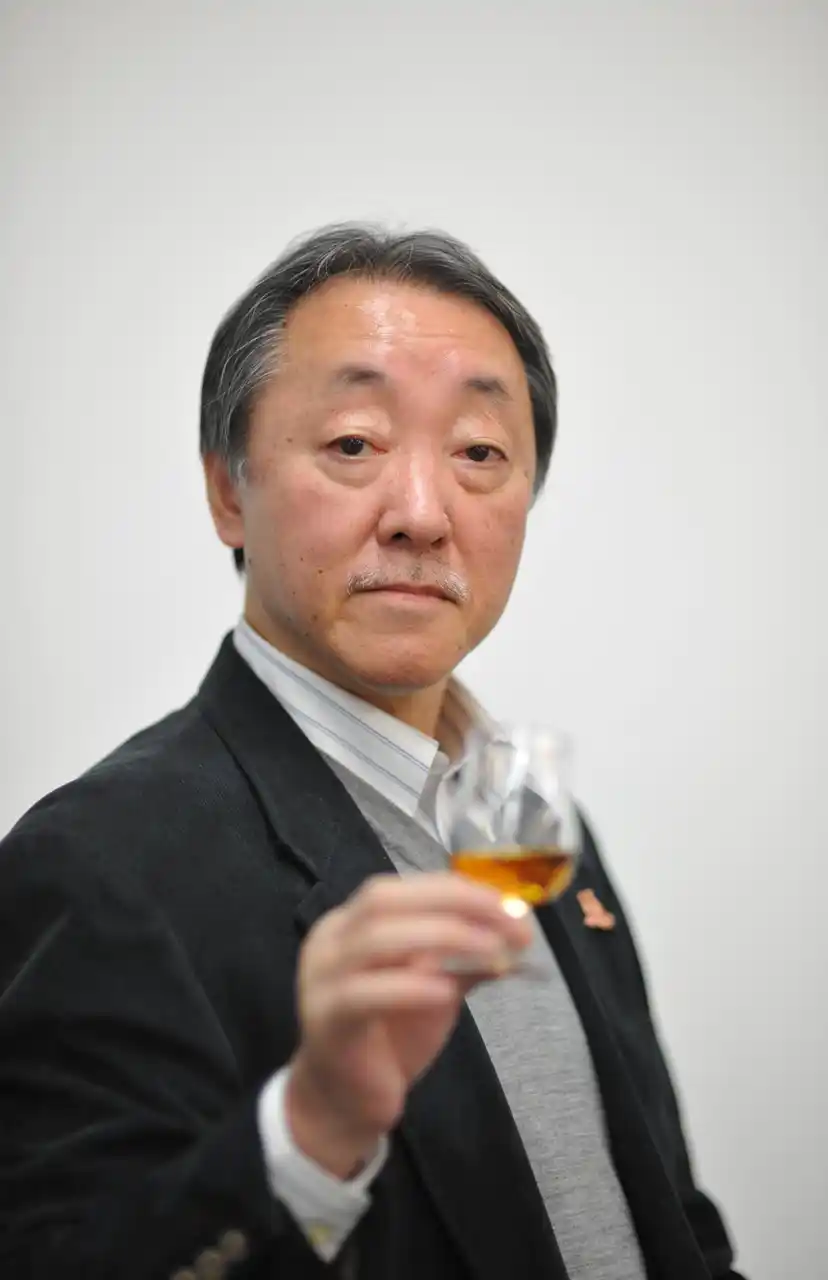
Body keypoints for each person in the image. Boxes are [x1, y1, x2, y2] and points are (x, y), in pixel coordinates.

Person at [0, 225, 746, 1280]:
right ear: (228, 492)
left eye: (478, 452)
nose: (421, 514)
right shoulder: (97, 861)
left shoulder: (534, 825)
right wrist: (310, 1132)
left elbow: (666, 1212)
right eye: (353, 443)